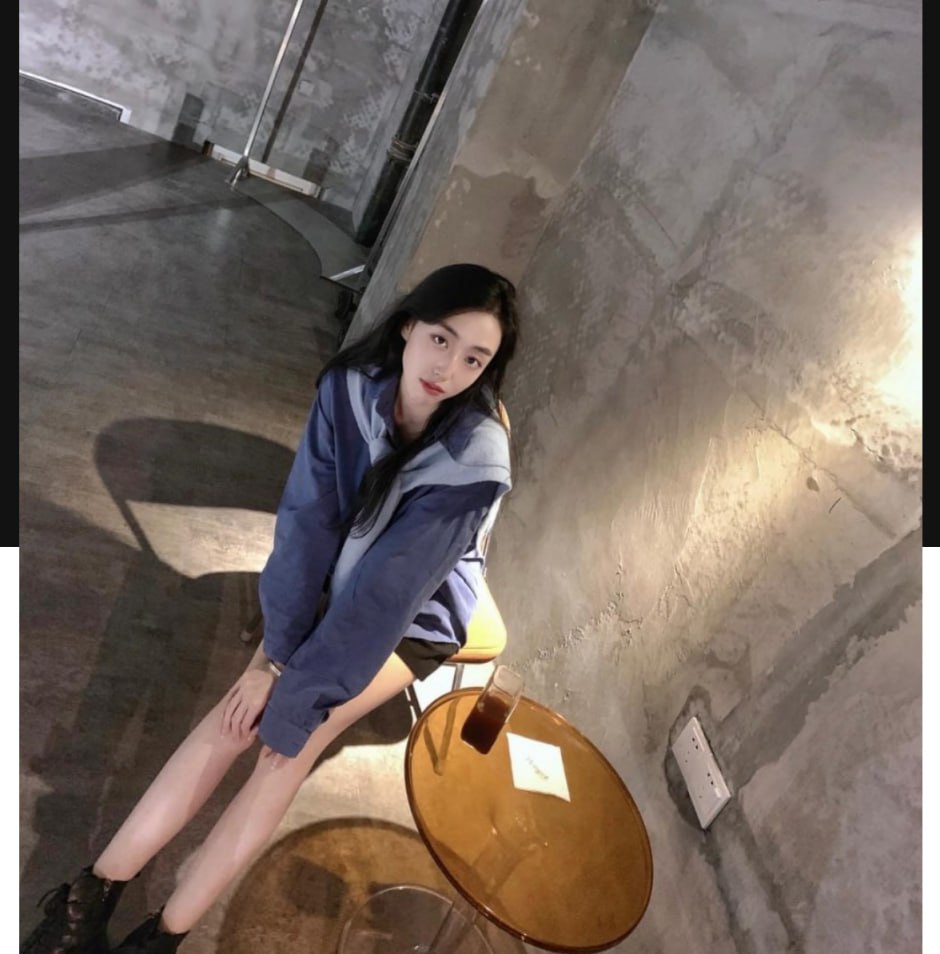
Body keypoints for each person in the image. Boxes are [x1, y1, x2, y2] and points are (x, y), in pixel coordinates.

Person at [22, 262, 519, 954]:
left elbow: (385, 599)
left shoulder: (474, 461)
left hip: (413, 617)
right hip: (336, 577)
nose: (449, 368)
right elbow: (306, 524)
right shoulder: (351, 388)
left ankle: (162, 936)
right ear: (409, 326)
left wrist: (293, 694)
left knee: (290, 743)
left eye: (475, 358)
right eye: (441, 339)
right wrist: (273, 659)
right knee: (238, 710)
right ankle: (87, 901)